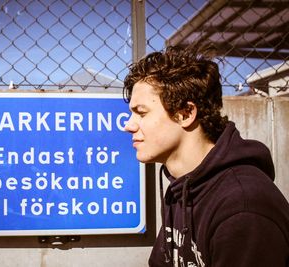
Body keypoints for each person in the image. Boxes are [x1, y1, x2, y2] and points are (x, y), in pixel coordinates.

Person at [123, 46, 289, 266]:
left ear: (185, 113)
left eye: (141, 113)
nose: (128, 125)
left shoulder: (243, 209)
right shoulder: (182, 188)